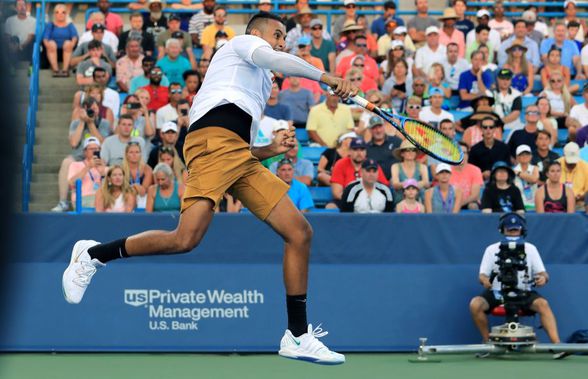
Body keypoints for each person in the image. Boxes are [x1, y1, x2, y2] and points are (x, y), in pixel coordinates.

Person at [62, 12, 357, 365]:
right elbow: (271, 65)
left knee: (299, 232)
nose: (281, 41)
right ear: (257, 33)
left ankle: (296, 334)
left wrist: (268, 151)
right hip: (210, 144)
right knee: (184, 239)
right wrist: (326, 77)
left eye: (283, 37)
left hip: (236, 156)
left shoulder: (259, 83)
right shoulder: (243, 44)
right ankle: (93, 255)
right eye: (277, 34)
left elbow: (237, 147)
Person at [469, 213, 562, 349]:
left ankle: (557, 345)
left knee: (543, 304)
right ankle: (487, 342)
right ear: (502, 230)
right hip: (498, 293)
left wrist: (543, 278)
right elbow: (482, 275)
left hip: (523, 291)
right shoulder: (491, 249)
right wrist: (485, 281)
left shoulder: (530, 249)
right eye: (509, 229)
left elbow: (543, 273)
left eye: (515, 229)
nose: (513, 233)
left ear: (521, 230)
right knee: (475, 304)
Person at [52, 98, 112, 212]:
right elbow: (74, 143)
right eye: (89, 109)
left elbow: (102, 142)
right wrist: (82, 122)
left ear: (99, 108)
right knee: (66, 162)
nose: (92, 111)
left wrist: (90, 123)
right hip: (79, 155)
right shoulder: (76, 123)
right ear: (84, 110)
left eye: (94, 108)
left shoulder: (104, 123)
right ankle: (63, 202)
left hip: (98, 153)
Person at [331, 138, 389, 202]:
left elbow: (384, 188)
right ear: (350, 151)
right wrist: (354, 200)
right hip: (345, 200)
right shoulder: (340, 164)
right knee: (331, 206)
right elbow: (337, 193)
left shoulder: (373, 165)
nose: (359, 153)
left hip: (370, 201)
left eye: (362, 150)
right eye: (355, 149)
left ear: (366, 152)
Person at [67, 137, 108, 210]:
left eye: (97, 149)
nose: (94, 151)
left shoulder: (105, 167)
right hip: (83, 198)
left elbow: (111, 188)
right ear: (85, 152)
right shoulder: (75, 165)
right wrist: (88, 167)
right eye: (91, 149)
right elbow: (71, 183)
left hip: (102, 198)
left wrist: (103, 173)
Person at [42, 4, 78, 77]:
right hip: (53, 50)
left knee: (68, 43)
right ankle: (56, 70)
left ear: (66, 14)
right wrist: (48, 45)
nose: (60, 14)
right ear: (54, 14)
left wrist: (72, 44)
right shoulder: (50, 25)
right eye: (57, 12)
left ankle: (65, 70)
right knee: (51, 43)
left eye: (63, 12)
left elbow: (74, 37)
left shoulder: (70, 25)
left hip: (67, 50)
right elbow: (45, 38)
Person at [450, 141, 484, 210]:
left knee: (473, 206)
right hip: (451, 203)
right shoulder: (447, 170)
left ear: (468, 155)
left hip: (469, 202)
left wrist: (459, 203)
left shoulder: (475, 170)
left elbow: (475, 195)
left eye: (464, 153)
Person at [366, 116, 401, 181]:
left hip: (397, 181)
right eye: (374, 128)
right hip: (376, 182)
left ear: (384, 127)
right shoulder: (366, 148)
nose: (378, 130)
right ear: (370, 130)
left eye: (380, 127)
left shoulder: (396, 141)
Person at [122, 141, 153, 209]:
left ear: (140, 154)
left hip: (143, 199)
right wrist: (136, 187)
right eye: (131, 152)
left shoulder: (147, 169)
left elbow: (143, 191)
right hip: (125, 197)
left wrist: (133, 186)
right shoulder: (121, 169)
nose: (134, 154)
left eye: (137, 152)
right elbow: (122, 189)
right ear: (126, 154)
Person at [558, 142, 588, 210]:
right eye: (569, 162)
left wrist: (580, 197)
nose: (572, 164)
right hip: (558, 202)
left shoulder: (585, 167)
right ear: (564, 155)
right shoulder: (555, 165)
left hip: (579, 202)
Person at [513, 145, 540, 211]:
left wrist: (519, 173)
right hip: (519, 206)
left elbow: (534, 179)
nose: (525, 156)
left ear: (531, 156)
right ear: (517, 157)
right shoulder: (512, 171)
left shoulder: (535, 168)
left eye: (527, 154)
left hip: (534, 205)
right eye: (522, 155)